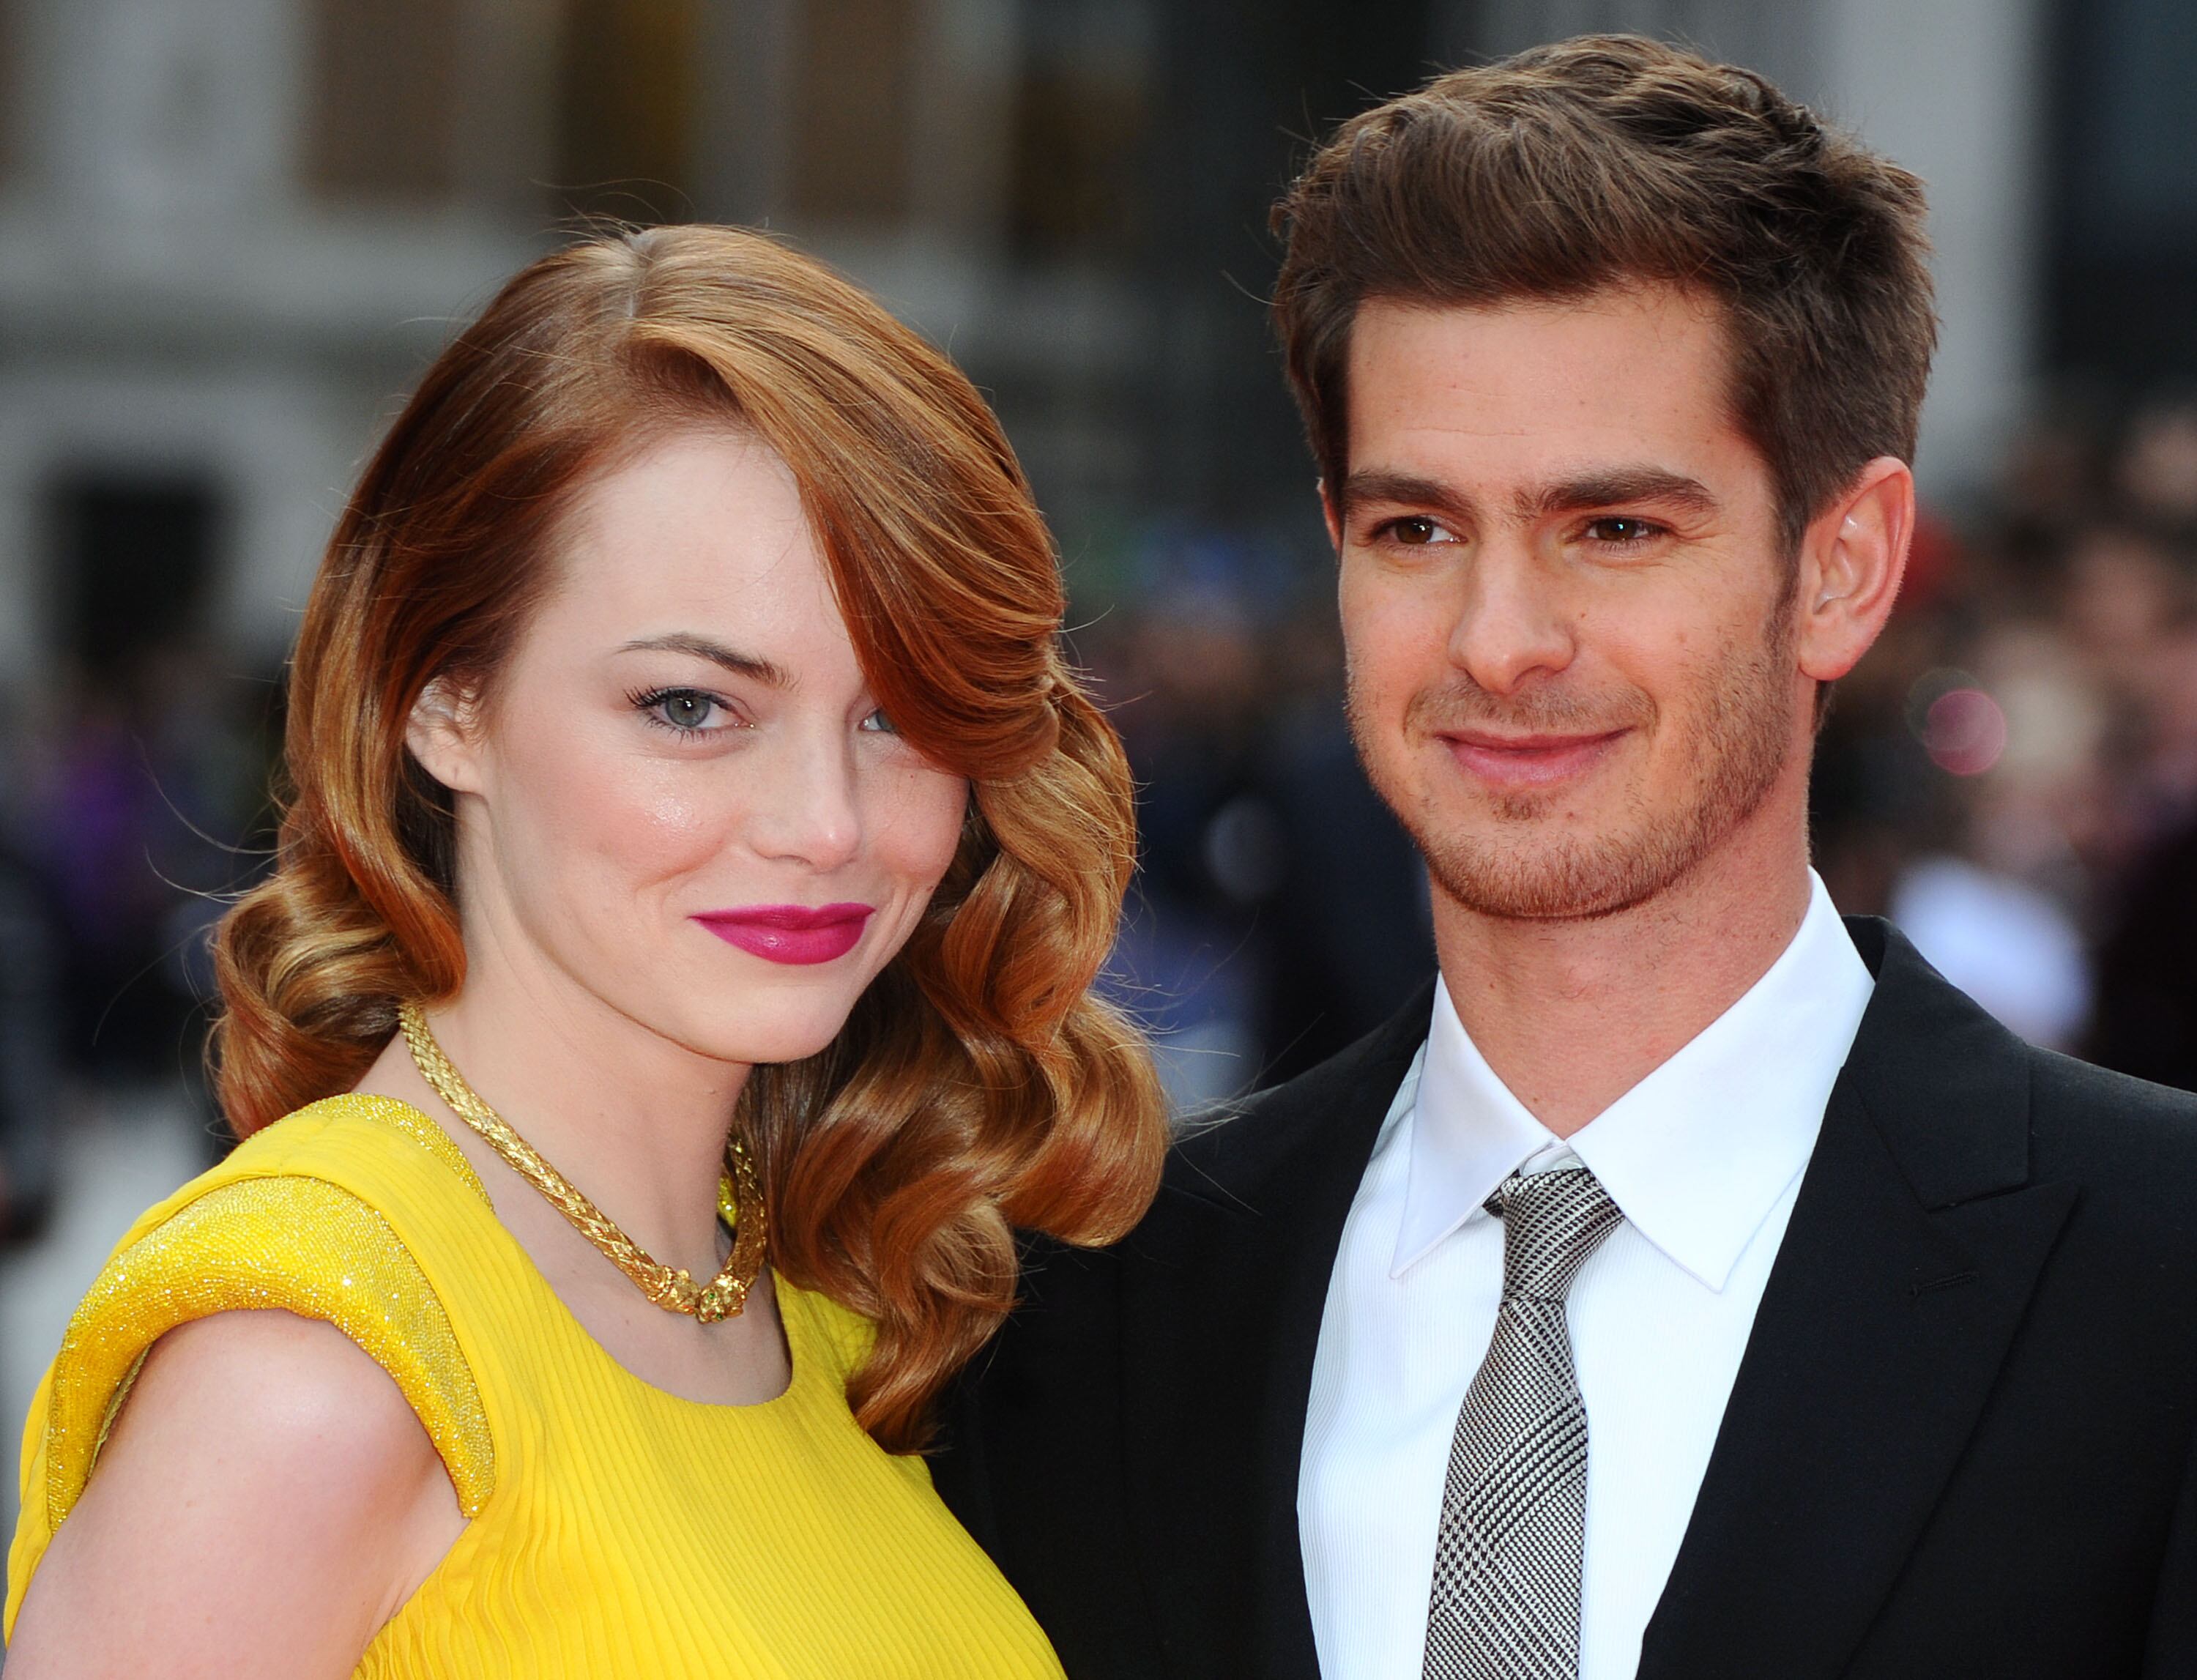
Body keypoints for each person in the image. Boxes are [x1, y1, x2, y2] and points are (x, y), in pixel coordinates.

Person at [931, 36, 2197, 1680]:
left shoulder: (2156, 1278)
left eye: (1614, 529)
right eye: (1417, 529)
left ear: (1842, 567)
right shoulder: (1090, 1306)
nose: (1499, 639)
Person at [4, 225, 1168, 1677]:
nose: (827, 825)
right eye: (692, 707)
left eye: (900, 717)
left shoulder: (839, 1302)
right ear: (446, 701)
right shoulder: (308, 1369)